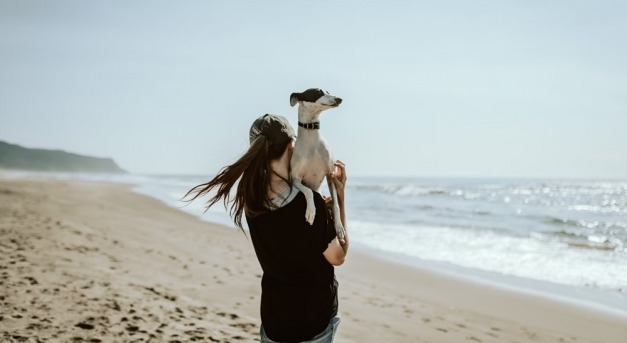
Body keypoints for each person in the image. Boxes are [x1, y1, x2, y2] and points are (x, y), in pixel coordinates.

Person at [183, 114, 349, 343]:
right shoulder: (307, 204)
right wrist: (339, 197)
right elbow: (338, 256)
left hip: (274, 320)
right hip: (313, 320)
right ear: (292, 146)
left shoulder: (251, 198)